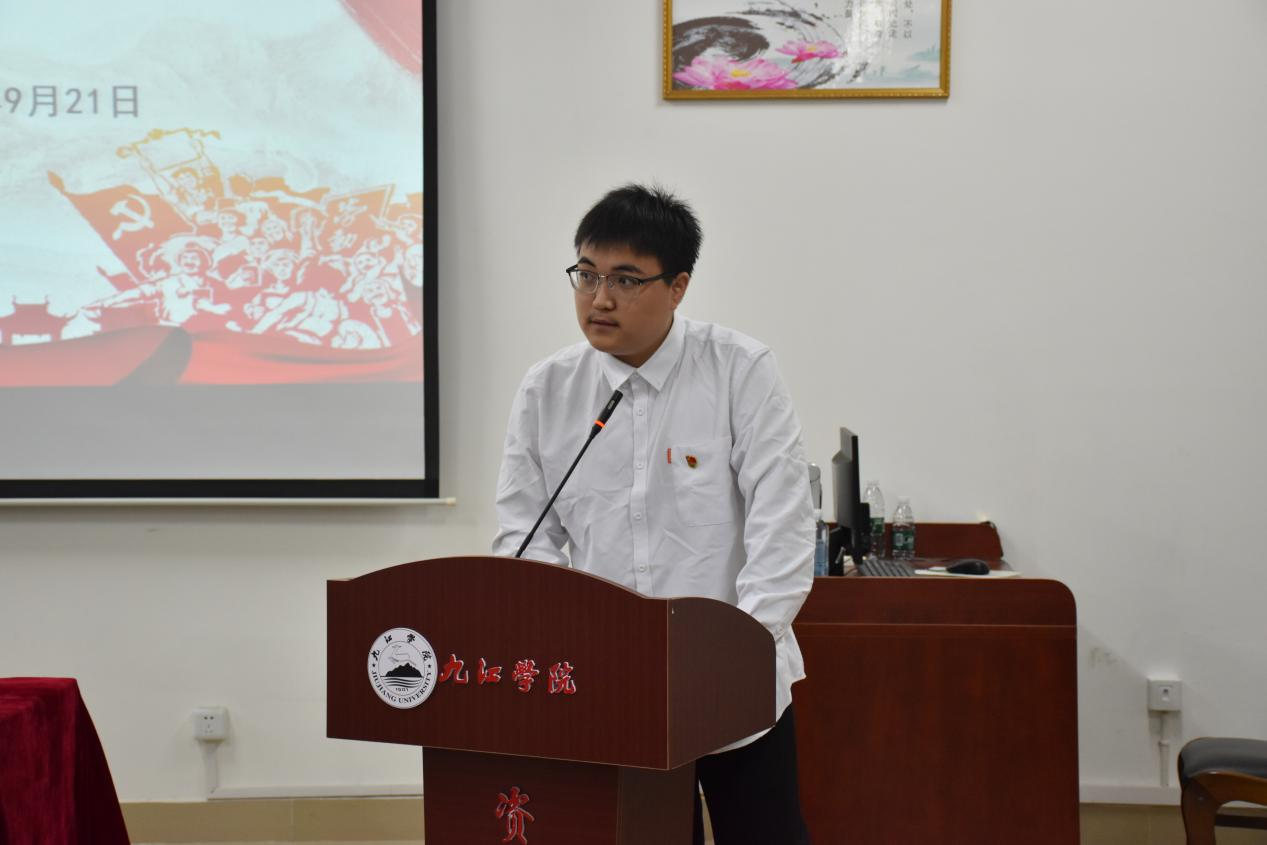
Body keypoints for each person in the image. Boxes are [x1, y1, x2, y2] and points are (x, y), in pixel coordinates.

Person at [492, 184, 814, 845]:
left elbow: (781, 527)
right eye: (586, 274)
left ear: (677, 287)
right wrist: (567, 646)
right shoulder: (548, 388)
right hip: (611, 686)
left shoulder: (739, 370)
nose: (599, 298)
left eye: (625, 279)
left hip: (734, 683)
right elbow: (525, 536)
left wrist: (733, 656)